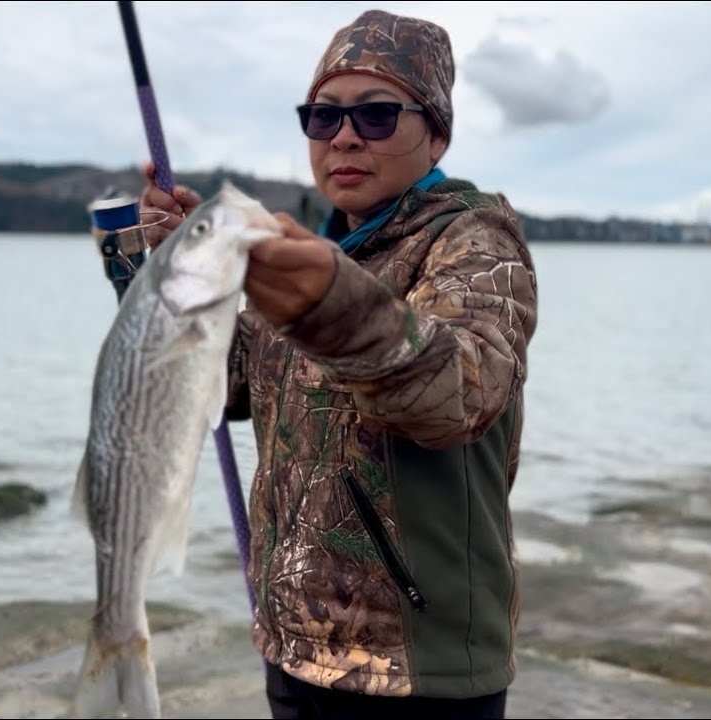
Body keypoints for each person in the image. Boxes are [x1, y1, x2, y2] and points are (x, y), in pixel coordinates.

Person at [127, 9, 538, 719]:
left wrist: (325, 300)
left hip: (423, 675)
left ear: (436, 131)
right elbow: (218, 392)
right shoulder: (303, 257)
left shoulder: (475, 240)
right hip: (293, 650)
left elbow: (459, 394)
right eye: (323, 117)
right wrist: (175, 275)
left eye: (377, 115)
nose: (344, 135)